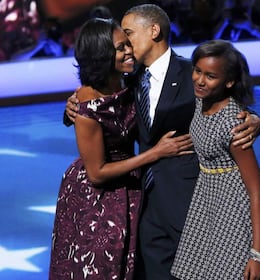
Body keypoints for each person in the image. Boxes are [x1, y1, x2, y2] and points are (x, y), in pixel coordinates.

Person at [64, 4, 260, 279]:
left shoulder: (189, 73)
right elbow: (98, 108)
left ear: (154, 31)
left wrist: (254, 119)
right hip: (142, 209)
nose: (126, 44)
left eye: (129, 34)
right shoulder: (126, 79)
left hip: (188, 205)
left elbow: (227, 107)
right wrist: (71, 107)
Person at [49, 17, 192, 279]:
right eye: (120, 48)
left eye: (128, 44)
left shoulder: (130, 82)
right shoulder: (87, 106)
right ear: (102, 54)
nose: (129, 52)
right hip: (95, 201)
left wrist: (252, 119)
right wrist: (155, 153)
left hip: (130, 190)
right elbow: (97, 173)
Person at [170, 39, 260, 280]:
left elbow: (256, 189)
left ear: (228, 82)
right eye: (197, 71)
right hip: (208, 205)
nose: (199, 80)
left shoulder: (234, 124)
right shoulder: (200, 101)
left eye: (210, 76)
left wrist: (258, 254)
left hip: (236, 212)